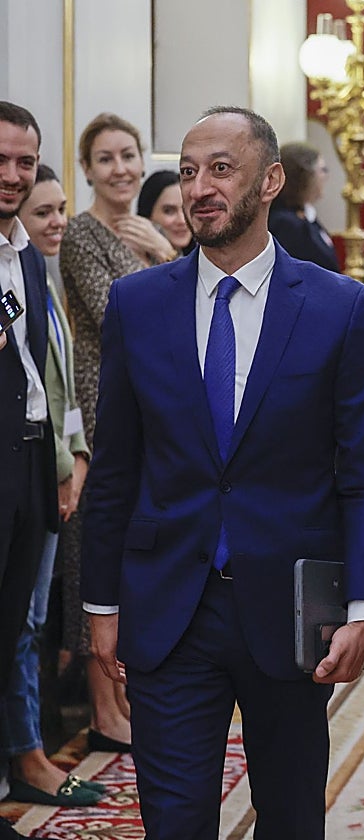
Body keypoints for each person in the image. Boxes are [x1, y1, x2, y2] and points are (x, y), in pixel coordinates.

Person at [80, 105, 364, 840]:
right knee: (175, 820)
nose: (199, 188)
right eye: (189, 172)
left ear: (270, 180)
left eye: (221, 169)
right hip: (169, 608)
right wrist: (100, 603)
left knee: (289, 819)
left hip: (291, 612)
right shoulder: (138, 304)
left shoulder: (336, 307)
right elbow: (118, 468)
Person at [61, 112, 169, 755]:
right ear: (88, 169)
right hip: (100, 404)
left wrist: (158, 249)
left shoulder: (144, 231)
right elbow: (118, 314)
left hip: (146, 403)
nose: (121, 168)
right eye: (105, 159)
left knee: (133, 555)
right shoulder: (81, 232)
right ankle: (102, 708)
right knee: (93, 557)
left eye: (128, 155)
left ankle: (127, 696)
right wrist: (159, 255)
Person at [2, 165, 100, 809]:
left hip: (49, 467)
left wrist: (75, 457)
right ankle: (27, 752)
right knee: (25, 625)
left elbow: (52, 383)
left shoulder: (38, 274)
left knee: (29, 622)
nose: (55, 223)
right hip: (30, 468)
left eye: (61, 209)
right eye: (42, 213)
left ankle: (27, 748)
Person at [0, 101, 58, 840]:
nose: (12, 176)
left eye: (24, 162)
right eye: (1, 161)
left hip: (26, 474)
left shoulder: (27, 254)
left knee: (10, 631)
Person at [268, 141, 338, 272]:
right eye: (323, 170)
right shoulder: (285, 223)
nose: (326, 176)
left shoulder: (305, 214)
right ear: (304, 176)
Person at [137, 170, 194, 256]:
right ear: (147, 217)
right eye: (169, 211)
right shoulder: (133, 260)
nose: (182, 220)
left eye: (186, 209)